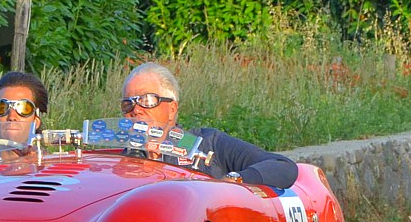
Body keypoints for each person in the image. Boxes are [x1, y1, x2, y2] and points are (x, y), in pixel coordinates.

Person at [121, 62, 298, 188]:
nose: (136, 110)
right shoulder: (117, 163)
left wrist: (234, 181)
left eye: (147, 100)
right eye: (128, 104)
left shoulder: (207, 144)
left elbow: (282, 166)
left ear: (172, 109)